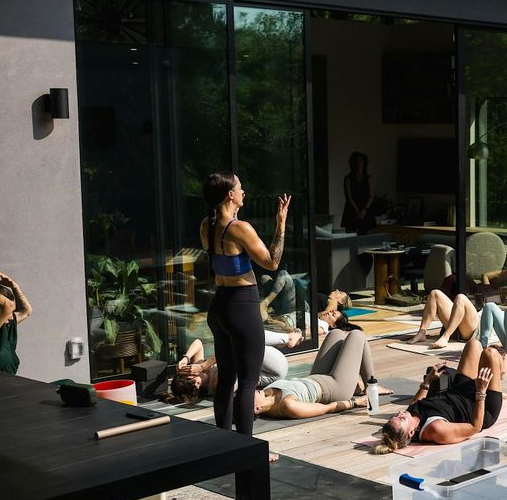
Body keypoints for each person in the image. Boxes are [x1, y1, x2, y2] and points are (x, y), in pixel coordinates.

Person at [200, 171, 290, 437]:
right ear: (230, 195)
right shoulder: (239, 228)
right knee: (248, 382)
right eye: (240, 188)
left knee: (226, 379)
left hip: (219, 306)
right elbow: (272, 262)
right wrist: (281, 224)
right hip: (242, 307)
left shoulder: (207, 225)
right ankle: (246, 448)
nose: (243, 192)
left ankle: (223, 443)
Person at [371, 340, 507, 453]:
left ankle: (497, 372)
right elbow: (475, 427)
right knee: (490, 353)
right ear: (411, 433)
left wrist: (428, 381)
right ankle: (500, 374)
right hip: (481, 406)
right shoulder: (436, 430)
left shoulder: (410, 417)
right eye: (401, 418)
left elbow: (415, 402)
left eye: (396, 415)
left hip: (459, 391)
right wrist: (481, 392)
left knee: (473, 344)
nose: (401, 412)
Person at [252, 328, 392, 419]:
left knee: (335, 333)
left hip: (316, 376)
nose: (250, 393)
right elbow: (326, 408)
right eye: (249, 398)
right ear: (257, 409)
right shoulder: (287, 406)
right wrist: (355, 403)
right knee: (357, 335)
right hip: (334, 388)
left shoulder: (264, 392)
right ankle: (371, 386)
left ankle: (357, 383)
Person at [168, 328, 301, 404]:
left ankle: (286, 338)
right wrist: (203, 366)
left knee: (245, 333)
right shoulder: (215, 383)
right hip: (273, 371)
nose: (193, 372)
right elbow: (229, 351)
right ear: (196, 386)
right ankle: (287, 338)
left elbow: (198, 343)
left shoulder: (202, 373)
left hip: (263, 363)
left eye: (189, 371)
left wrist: (186, 358)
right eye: (191, 376)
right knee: (245, 337)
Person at [408, 289, 479, 348]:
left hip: (471, 329)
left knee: (461, 298)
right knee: (434, 293)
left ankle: (445, 337)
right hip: (454, 328)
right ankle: (422, 332)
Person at [341, 151, 374, 233]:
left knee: (367, 236)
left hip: (365, 209)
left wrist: (364, 210)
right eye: (357, 161)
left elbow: (371, 196)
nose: (359, 164)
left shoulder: (368, 178)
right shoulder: (348, 178)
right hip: (352, 209)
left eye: (361, 161)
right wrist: (357, 211)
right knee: (351, 235)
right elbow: (349, 197)